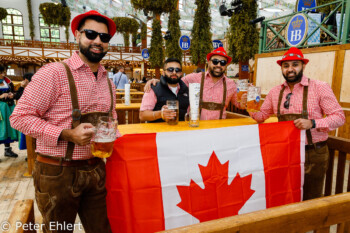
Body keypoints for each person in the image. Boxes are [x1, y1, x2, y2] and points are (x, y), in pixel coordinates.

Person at [10, 10, 119, 233]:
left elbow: (112, 119)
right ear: (77, 35)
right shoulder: (54, 73)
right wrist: (66, 134)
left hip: (96, 169)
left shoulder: (108, 81)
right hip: (57, 171)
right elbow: (19, 117)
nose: (98, 41)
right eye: (91, 34)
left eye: (104, 37)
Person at [248, 47, 345, 200]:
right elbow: (261, 116)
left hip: (313, 153)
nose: (290, 69)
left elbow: (339, 117)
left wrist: (312, 123)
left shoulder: (320, 87)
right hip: (284, 153)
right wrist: (247, 107)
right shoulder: (275, 92)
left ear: (303, 66)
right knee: (285, 196)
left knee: (310, 199)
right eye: (286, 66)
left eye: (295, 64)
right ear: (282, 68)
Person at [145, 47, 247, 120]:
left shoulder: (231, 84)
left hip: (218, 130)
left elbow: (238, 104)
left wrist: (243, 103)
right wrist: (158, 81)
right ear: (209, 62)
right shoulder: (194, 78)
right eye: (215, 61)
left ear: (226, 66)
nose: (219, 65)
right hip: (196, 129)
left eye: (223, 63)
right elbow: (175, 80)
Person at [140, 58, 189, 122]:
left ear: (181, 73)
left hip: (181, 130)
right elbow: (142, 115)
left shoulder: (186, 89)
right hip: (159, 131)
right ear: (163, 73)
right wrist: (160, 114)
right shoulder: (154, 88)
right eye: (170, 70)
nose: (174, 72)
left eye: (177, 70)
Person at [0, 65, 19, 159]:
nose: (3, 74)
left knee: (8, 127)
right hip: (0, 108)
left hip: (8, 107)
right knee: (1, 128)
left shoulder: (7, 81)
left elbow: (15, 92)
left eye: (4, 72)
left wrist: (12, 94)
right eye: (1, 72)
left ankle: (7, 150)